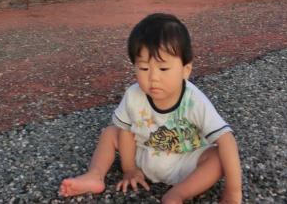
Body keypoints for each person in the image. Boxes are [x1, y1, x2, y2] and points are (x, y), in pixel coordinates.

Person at [59, 13, 242, 204]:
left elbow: (226, 139)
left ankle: (177, 194)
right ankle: (94, 175)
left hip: (186, 164)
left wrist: (233, 192)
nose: (153, 77)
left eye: (163, 69)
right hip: (144, 154)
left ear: (186, 70)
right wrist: (129, 169)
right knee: (110, 132)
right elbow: (125, 131)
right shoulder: (133, 95)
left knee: (218, 157)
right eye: (144, 68)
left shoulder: (194, 100)